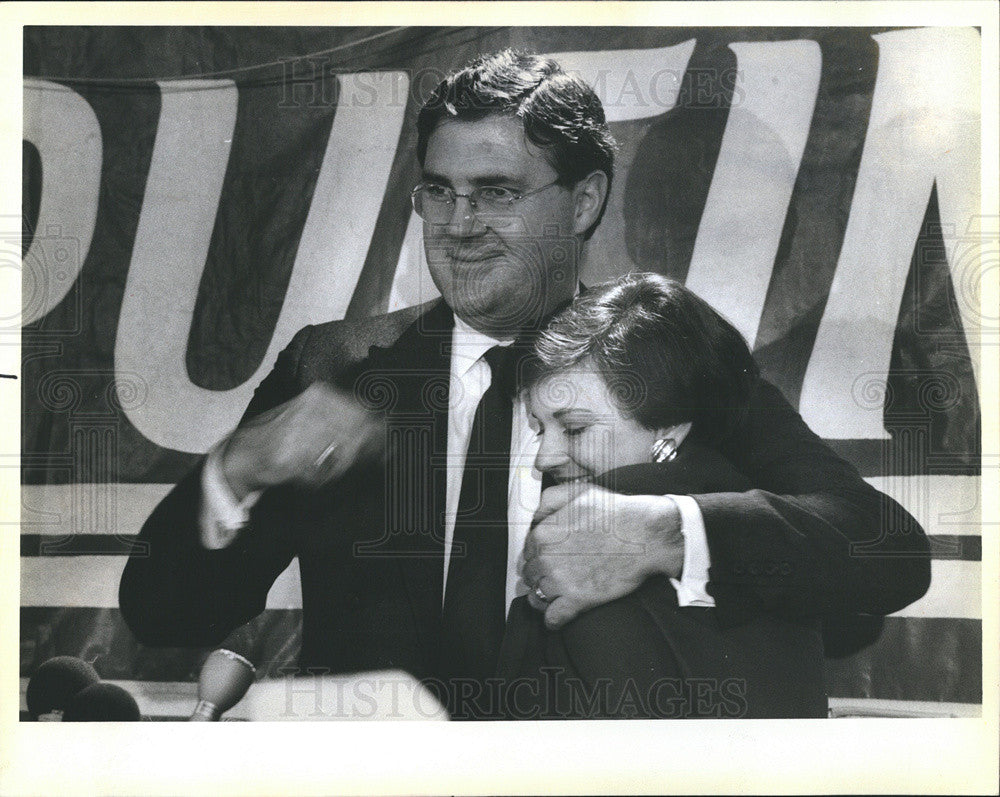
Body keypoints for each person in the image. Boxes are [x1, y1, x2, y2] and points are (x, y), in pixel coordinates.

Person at [119, 50, 930, 719]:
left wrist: (668, 532)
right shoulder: (334, 367)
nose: (459, 223)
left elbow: (885, 549)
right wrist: (234, 471)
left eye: (496, 193)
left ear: (583, 201)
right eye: (438, 190)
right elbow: (162, 614)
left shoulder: (663, 354)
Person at [498, 272, 827, 719]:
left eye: (575, 427)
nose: (544, 458)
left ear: (669, 426)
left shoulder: (581, 572)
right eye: (540, 429)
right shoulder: (769, 549)